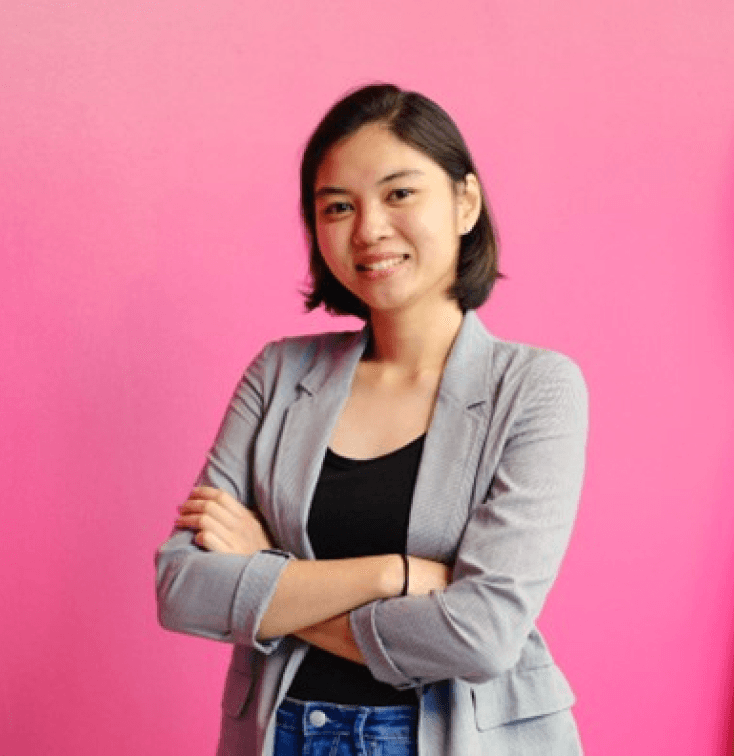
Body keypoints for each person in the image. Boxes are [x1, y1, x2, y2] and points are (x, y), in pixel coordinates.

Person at [155, 83, 589, 756]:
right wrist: (392, 573)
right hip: (282, 732)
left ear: (464, 202)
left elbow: (482, 635)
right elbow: (182, 587)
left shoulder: (536, 387)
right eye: (337, 206)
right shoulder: (278, 374)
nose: (369, 229)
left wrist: (264, 572)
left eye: (399, 193)